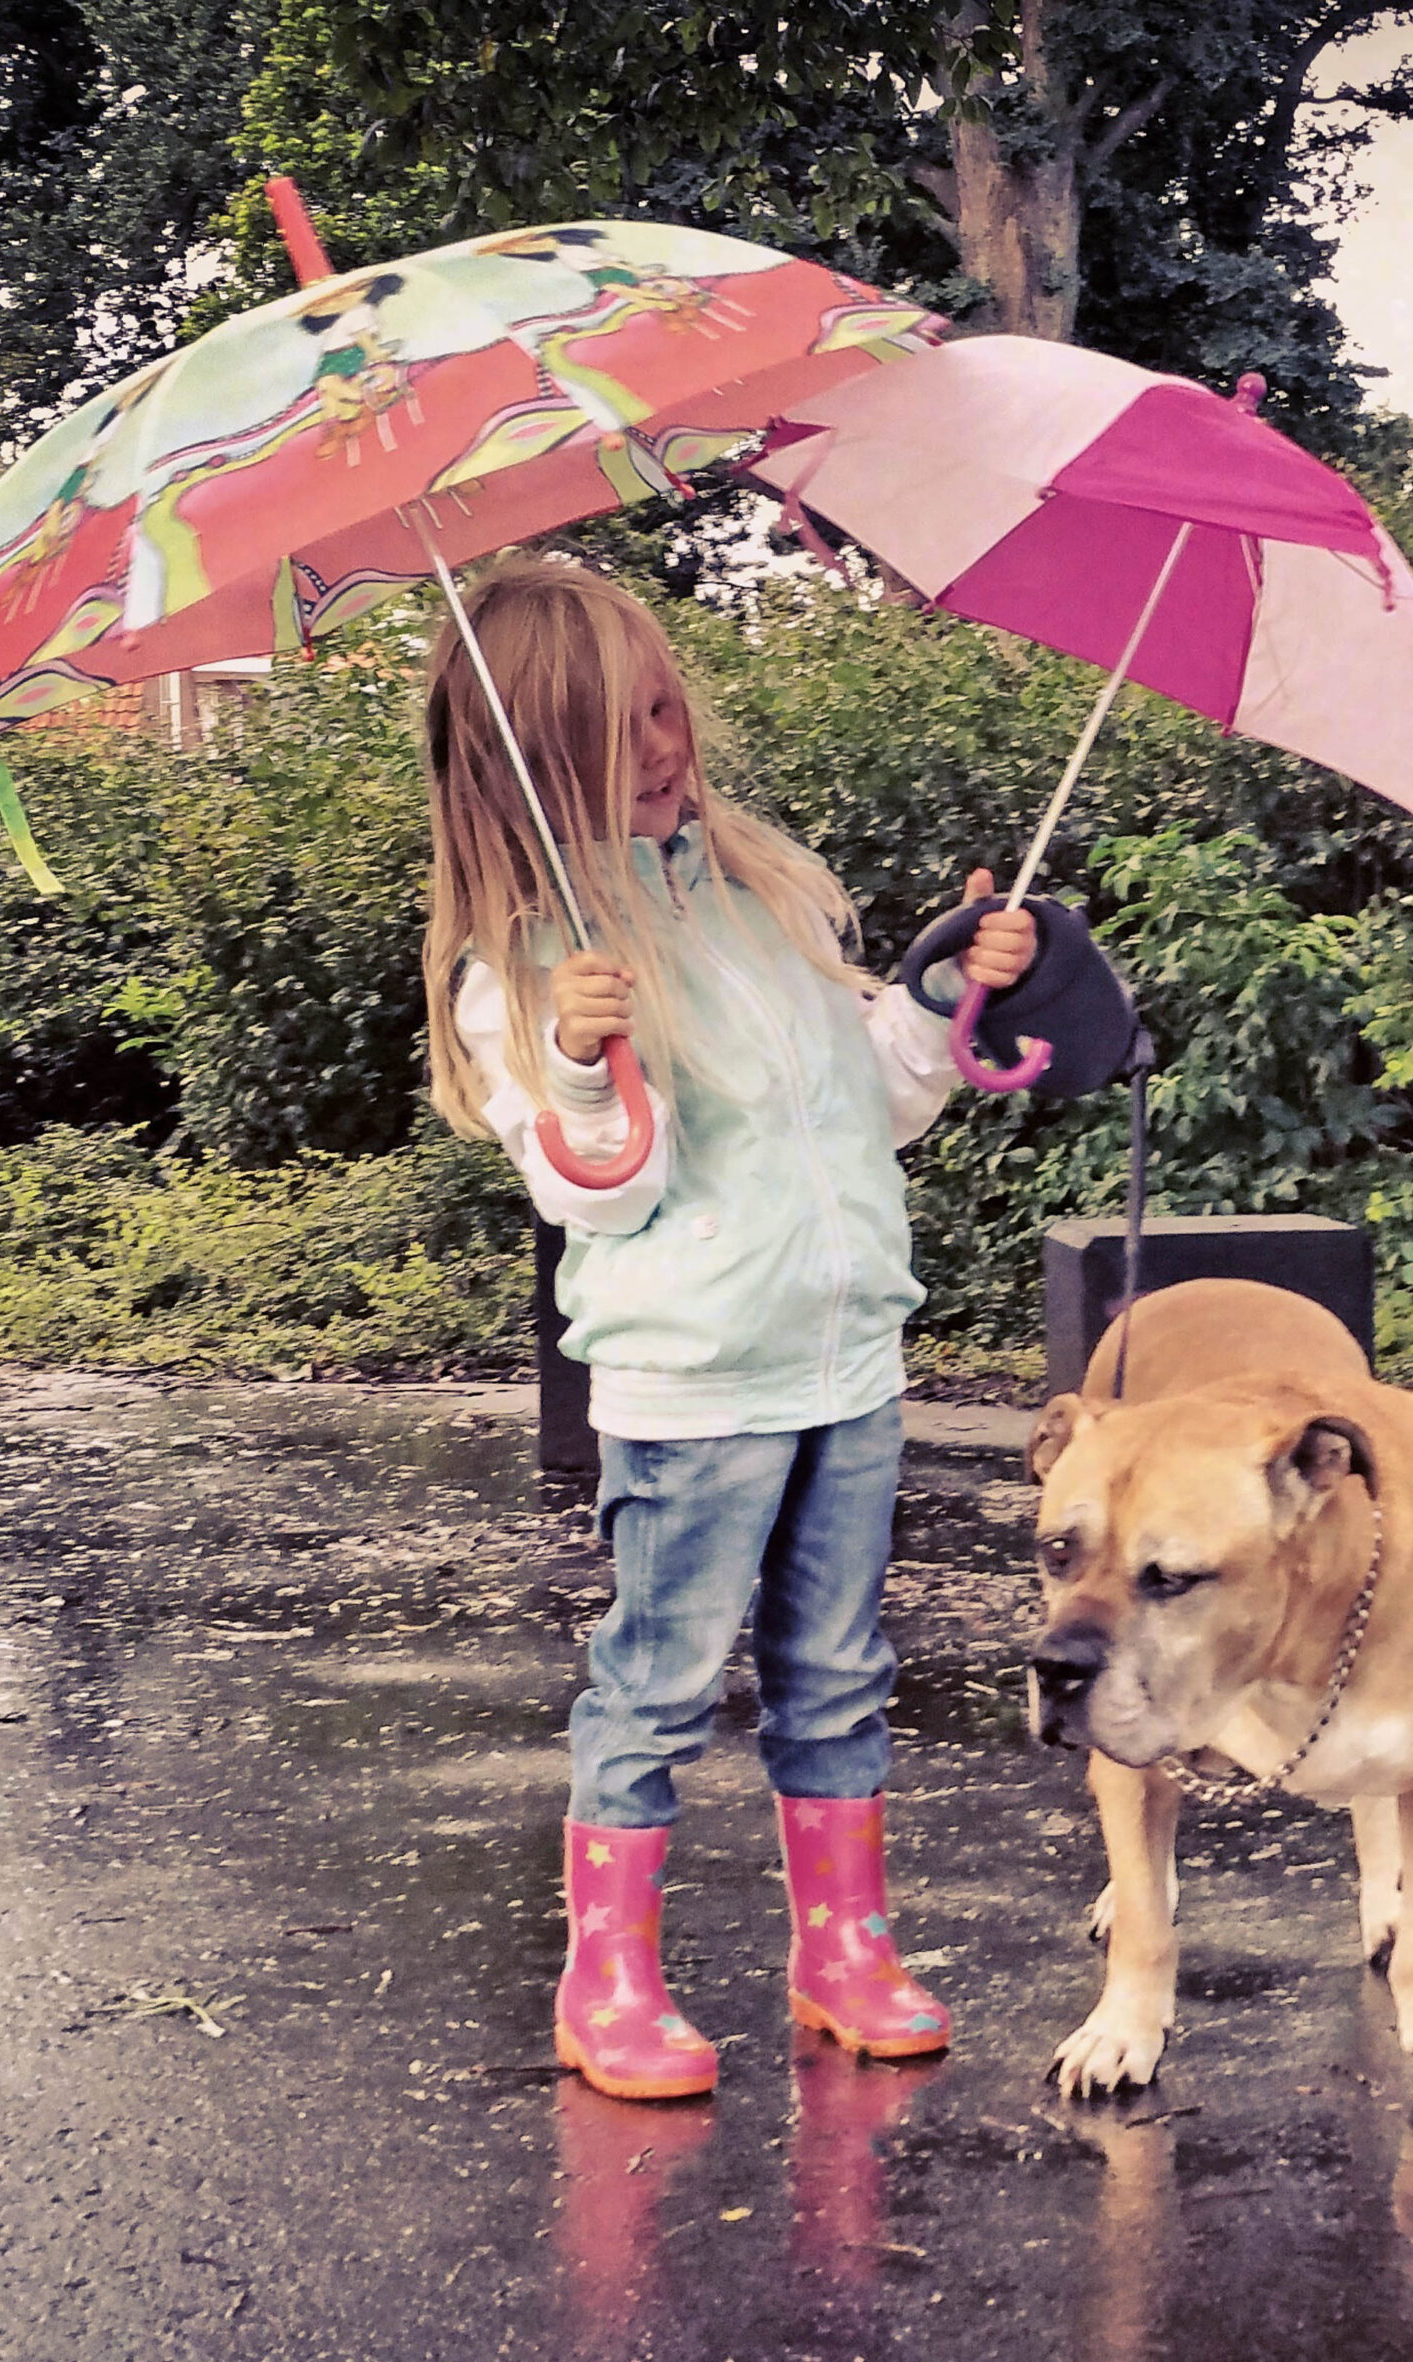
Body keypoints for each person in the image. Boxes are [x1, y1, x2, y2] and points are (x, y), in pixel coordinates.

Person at [422, 554, 1034, 2102]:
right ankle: (607, 1975)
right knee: (661, 1682)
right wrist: (573, 1061)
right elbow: (598, 1197)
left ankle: (841, 1946)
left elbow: (877, 1102)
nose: (663, 747)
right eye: (618, 732)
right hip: (695, 1388)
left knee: (836, 1669)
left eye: (665, 708)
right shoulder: (531, 975)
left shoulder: (761, 901)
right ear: (534, 761)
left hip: (847, 1364)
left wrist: (942, 987)